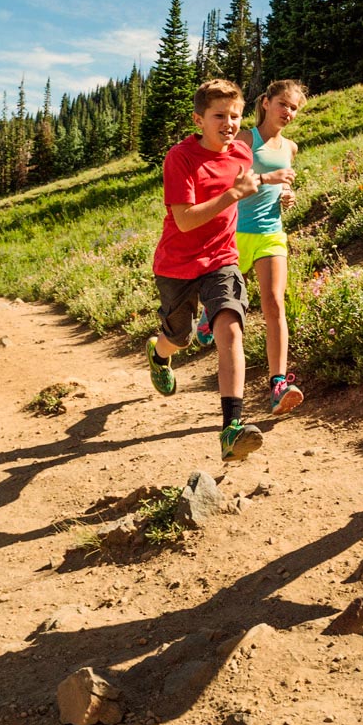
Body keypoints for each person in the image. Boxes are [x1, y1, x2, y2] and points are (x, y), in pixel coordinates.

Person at [146, 79, 290, 461]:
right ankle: (160, 354)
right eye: (219, 116)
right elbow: (185, 220)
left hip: (222, 259)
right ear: (199, 119)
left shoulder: (242, 151)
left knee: (230, 329)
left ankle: (231, 429)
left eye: (235, 115)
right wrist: (233, 195)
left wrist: (271, 184)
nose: (229, 123)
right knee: (180, 337)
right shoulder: (180, 158)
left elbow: (243, 182)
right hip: (177, 263)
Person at [233, 79, 306, 414]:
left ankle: (278, 384)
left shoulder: (290, 148)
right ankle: (205, 320)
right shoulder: (246, 139)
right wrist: (267, 180)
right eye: (283, 104)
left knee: (274, 303)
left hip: (270, 232)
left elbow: (284, 187)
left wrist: (287, 195)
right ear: (265, 102)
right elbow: (230, 184)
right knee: (230, 306)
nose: (288, 112)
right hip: (234, 233)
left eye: (293, 108)